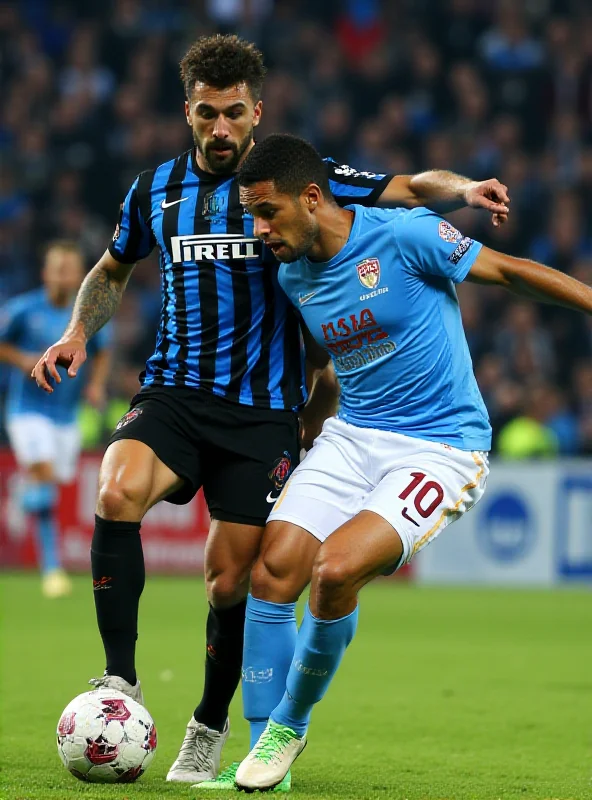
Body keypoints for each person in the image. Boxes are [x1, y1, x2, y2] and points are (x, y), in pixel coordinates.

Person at [31, 35, 511, 789]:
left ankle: (209, 726)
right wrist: (76, 332)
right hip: (175, 391)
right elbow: (112, 267)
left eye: (233, 113)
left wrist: (464, 189)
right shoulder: (153, 190)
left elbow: (408, 187)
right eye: (206, 113)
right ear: (186, 112)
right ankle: (118, 682)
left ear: (257, 112)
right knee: (114, 489)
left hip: (263, 411)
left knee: (230, 581)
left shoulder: (299, 182)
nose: (220, 128)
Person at [233, 133, 592, 792]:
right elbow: (324, 361)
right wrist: (311, 430)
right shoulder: (293, 273)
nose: (259, 232)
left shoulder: (403, 237)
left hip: (442, 445)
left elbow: (508, 271)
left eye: (268, 213)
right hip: (354, 435)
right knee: (273, 570)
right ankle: (261, 758)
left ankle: (289, 721)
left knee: (333, 571)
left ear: (312, 198)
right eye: (251, 217)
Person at [0, 241, 110, 598]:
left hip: (66, 415)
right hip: (27, 411)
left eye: (72, 268)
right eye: (59, 268)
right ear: (46, 273)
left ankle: (23, 493)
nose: (66, 276)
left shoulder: (86, 314)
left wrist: (95, 385)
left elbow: (104, 347)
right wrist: (23, 360)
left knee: (52, 481)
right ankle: (52, 568)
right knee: (45, 474)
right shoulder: (23, 309)